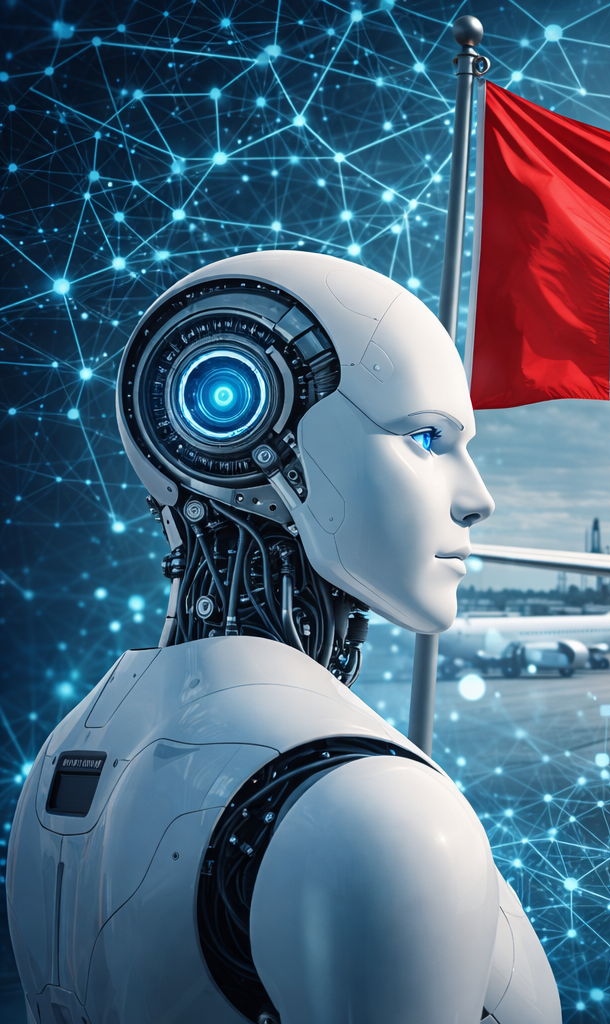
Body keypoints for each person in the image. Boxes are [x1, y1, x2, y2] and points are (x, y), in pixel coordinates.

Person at [8, 252, 557, 1024]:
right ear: (262, 435)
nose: (478, 499)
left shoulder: (67, 754)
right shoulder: (381, 814)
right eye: (427, 438)